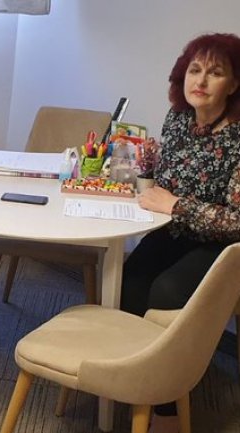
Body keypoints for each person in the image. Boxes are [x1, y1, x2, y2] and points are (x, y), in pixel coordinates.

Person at [120, 33, 240, 433]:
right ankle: (136, 379)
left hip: (222, 247)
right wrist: (150, 165)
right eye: (194, 70)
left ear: (233, 84)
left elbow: (237, 220)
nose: (200, 81)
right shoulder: (178, 119)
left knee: (167, 293)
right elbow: (168, 182)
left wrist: (176, 205)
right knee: (128, 282)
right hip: (173, 232)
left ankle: (167, 408)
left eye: (215, 72)